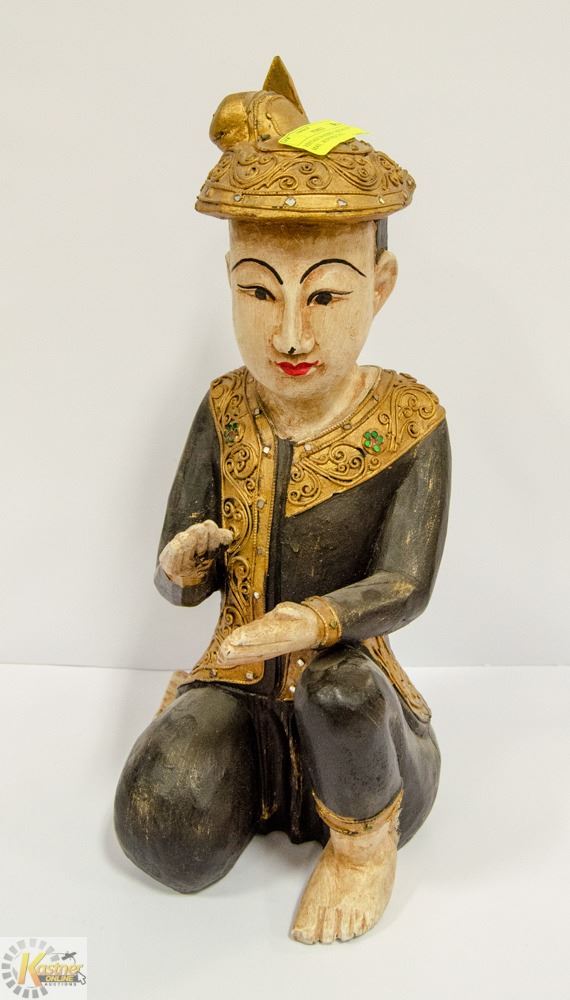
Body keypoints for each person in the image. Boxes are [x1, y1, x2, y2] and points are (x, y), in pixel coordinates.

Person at [114, 57, 451, 945]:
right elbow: (180, 582)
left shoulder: (409, 420)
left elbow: (406, 583)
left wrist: (309, 622)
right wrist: (180, 566)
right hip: (239, 688)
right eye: (258, 290)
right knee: (162, 834)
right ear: (228, 280)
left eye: (326, 293)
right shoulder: (225, 407)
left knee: (337, 686)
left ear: (380, 286)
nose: (290, 333)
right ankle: (240, 780)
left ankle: (363, 845)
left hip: (359, 718)